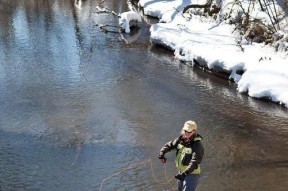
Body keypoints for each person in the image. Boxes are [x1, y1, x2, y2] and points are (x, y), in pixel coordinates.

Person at [158, 120, 204, 191]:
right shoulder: (181, 140)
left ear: (194, 131)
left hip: (191, 174)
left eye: (189, 132)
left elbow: (195, 162)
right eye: (185, 131)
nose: (187, 133)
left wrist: (185, 174)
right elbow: (169, 145)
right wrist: (162, 153)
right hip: (181, 172)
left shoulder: (197, 145)